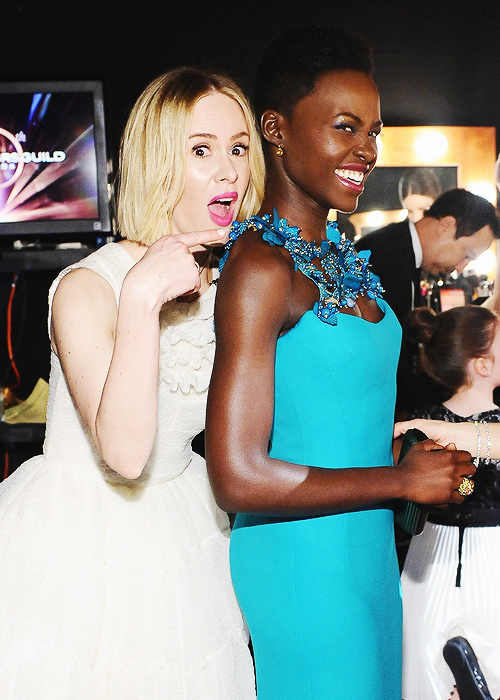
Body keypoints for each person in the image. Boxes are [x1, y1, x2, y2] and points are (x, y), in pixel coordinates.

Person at [204, 25, 474, 700]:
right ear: (276, 129)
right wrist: (399, 480)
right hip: (303, 565)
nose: (367, 151)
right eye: (345, 127)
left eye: (373, 132)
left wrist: (406, 457)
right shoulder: (260, 268)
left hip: (366, 556)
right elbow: (236, 476)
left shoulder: (343, 259)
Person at [0, 67, 265, 699]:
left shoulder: (231, 281)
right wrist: (142, 295)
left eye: (238, 148)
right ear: (156, 161)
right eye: (200, 150)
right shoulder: (88, 286)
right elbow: (122, 455)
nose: (228, 171)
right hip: (78, 544)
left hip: (184, 525)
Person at [400, 305, 500, 700]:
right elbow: (467, 487)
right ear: (482, 365)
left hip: (429, 549)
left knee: (422, 658)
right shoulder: (494, 426)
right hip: (489, 553)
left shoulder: (425, 420)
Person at [355, 188, 500, 417]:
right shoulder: (383, 256)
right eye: (467, 254)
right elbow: (385, 359)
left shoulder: (404, 253)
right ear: (447, 226)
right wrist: (452, 404)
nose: (461, 267)